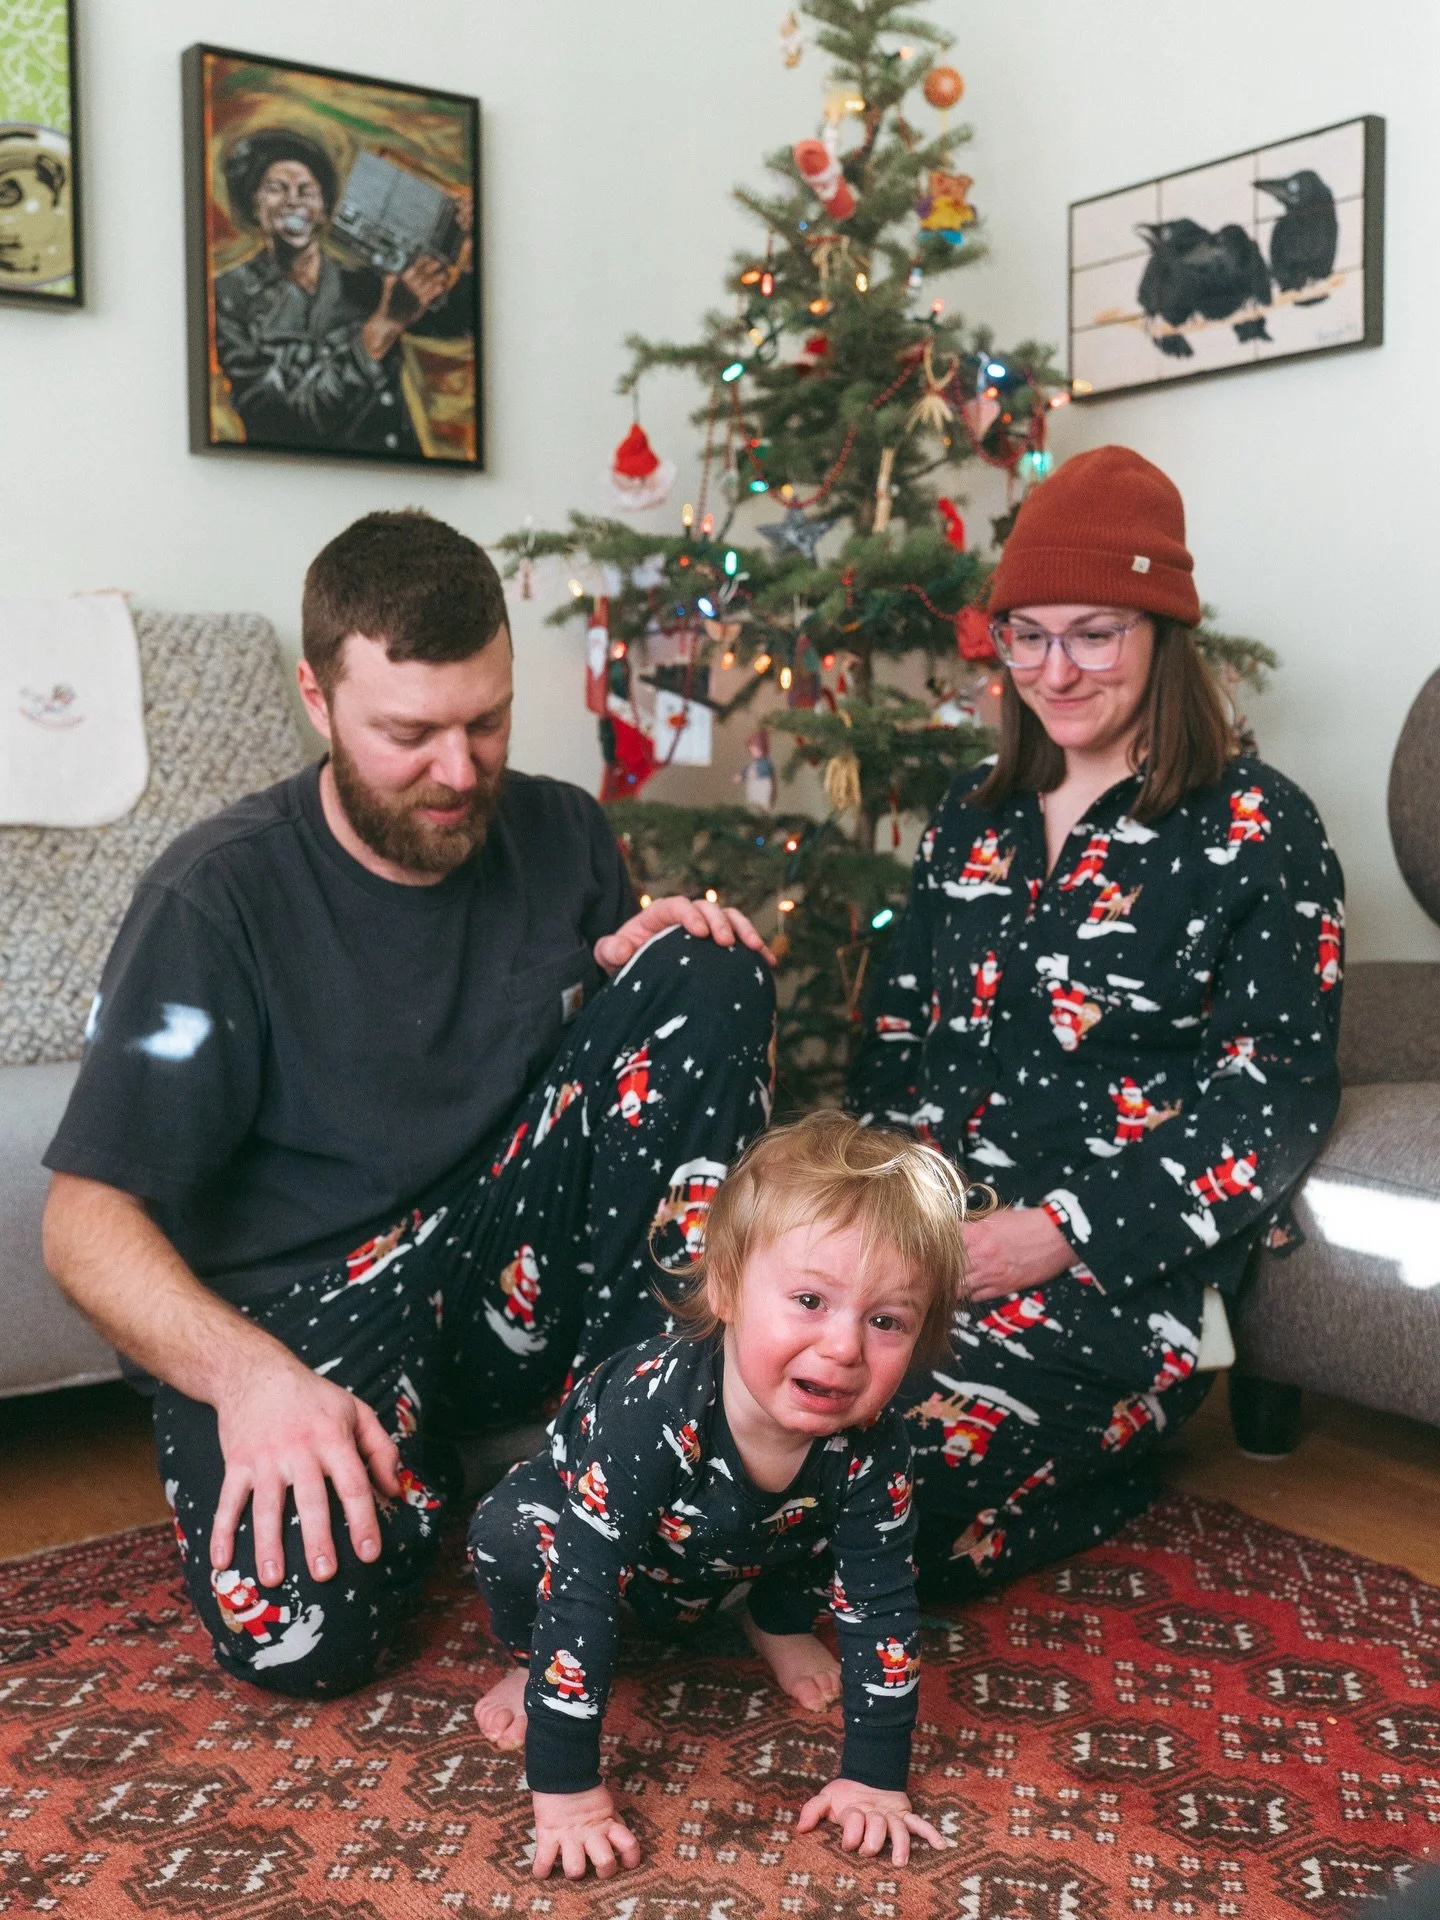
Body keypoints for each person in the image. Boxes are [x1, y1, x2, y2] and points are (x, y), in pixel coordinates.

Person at [41, 509, 777, 1695]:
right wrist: (251, 1381)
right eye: (409, 733)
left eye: (486, 722)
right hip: (309, 1315)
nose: (459, 770)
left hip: (497, 1266)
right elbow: (82, 1224)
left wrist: (629, 978)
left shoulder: (562, 831)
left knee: (710, 966)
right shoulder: (212, 901)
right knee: (299, 1640)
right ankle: (457, 1465)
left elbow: (614, 1118)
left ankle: (621, 1454)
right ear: (317, 699)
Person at [847, 445, 1345, 1596]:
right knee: (737, 1416)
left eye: (1095, 634)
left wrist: (1055, 1233)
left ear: (1165, 634)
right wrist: (878, 1219)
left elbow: (1272, 1100)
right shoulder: (968, 817)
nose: (1054, 670)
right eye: (1026, 635)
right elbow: (893, 1040)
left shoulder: (1259, 829)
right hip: (915, 1249)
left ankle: (1100, 1472)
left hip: (1113, 1284)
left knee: (880, 1494)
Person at [467, 1112, 970, 1882]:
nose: (844, 1347)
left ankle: (773, 1619)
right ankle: (528, 1658)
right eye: (810, 1301)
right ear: (728, 1288)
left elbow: (881, 1605)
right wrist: (567, 1794)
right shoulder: (649, 1411)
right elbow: (583, 1586)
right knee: (507, 1531)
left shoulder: (876, 1444)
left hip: (744, 1552)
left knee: (863, 1541)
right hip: (603, 1547)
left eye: (885, 1320)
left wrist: (875, 1779)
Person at [212, 128, 470, 456]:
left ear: (323, 209)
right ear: (254, 206)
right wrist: (382, 329)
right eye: (276, 189)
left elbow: (458, 322)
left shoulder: (364, 280)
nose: (294, 200)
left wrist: (469, 248)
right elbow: (277, 421)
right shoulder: (229, 294)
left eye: (307, 190)